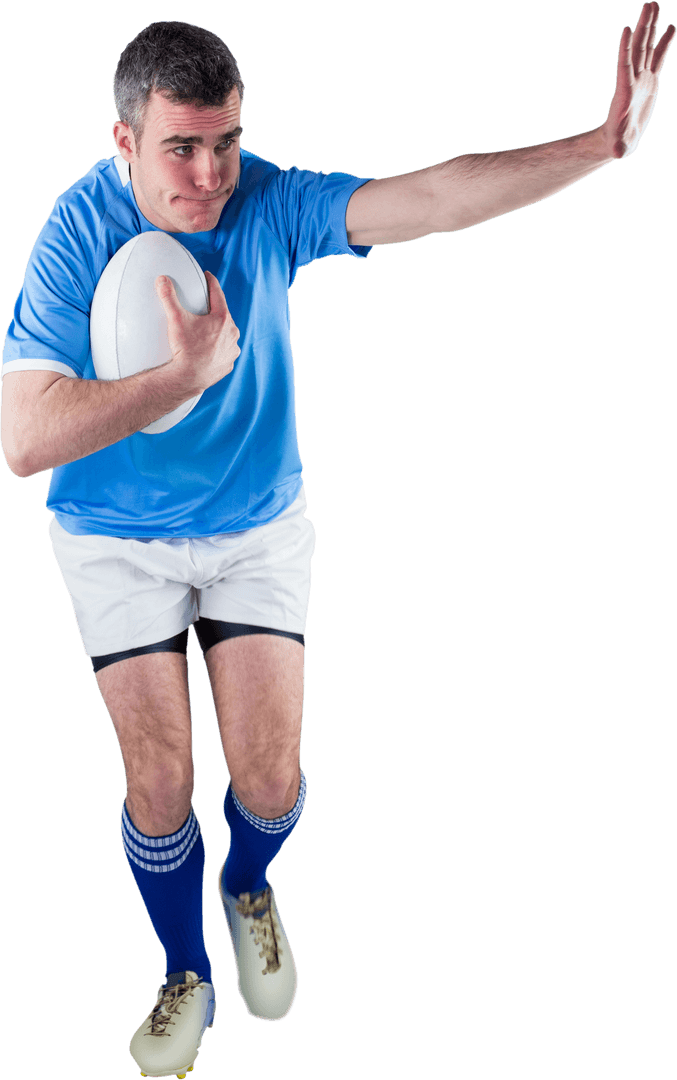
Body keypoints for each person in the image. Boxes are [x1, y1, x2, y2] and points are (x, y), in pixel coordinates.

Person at [0, 5, 673, 1078]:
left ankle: (248, 888)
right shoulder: (77, 233)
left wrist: (599, 146)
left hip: (254, 527)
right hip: (115, 540)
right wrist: (175, 380)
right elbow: (25, 441)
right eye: (182, 147)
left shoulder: (267, 200)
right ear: (123, 139)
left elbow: (437, 196)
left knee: (267, 780)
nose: (212, 173)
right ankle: (185, 970)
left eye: (225, 140)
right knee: (161, 780)